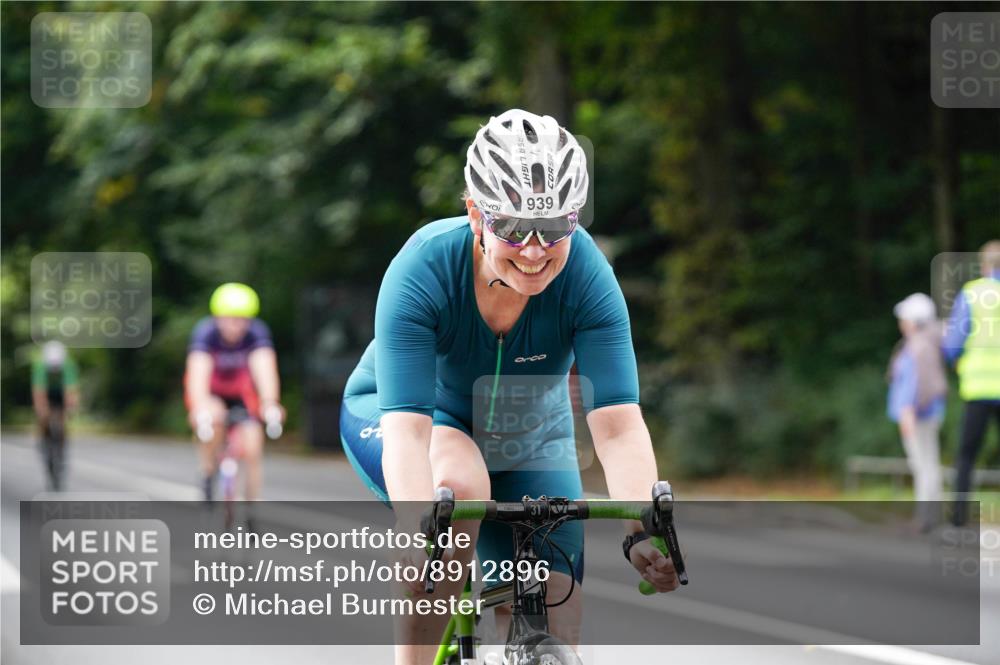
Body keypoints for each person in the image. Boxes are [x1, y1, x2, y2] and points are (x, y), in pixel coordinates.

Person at [339, 109, 679, 665]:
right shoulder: (424, 266)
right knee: (459, 493)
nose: (534, 249)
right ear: (475, 214)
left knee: (557, 614)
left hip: (527, 428)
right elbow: (408, 430)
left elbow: (617, 426)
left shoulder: (587, 276)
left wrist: (643, 528)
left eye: (552, 229)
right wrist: (413, 529)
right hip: (410, 414)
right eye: (514, 228)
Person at [184, 283, 285, 509]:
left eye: (242, 319)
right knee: (211, 417)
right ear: (218, 318)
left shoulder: (256, 333)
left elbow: (265, 369)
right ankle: (208, 471)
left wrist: (270, 404)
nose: (236, 326)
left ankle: (251, 504)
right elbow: (197, 375)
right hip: (212, 393)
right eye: (230, 319)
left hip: (240, 394)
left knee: (253, 445)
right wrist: (199, 408)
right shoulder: (206, 333)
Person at [943, 240, 1000, 526]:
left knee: (966, 455)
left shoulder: (973, 293)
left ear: (984, 265)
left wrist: (957, 362)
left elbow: (953, 343)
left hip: (978, 388)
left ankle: (958, 517)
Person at [887, 293, 947, 532]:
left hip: (918, 416)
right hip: (925, 414)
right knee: (928, 464)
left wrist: (908, 412)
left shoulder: (918, 346)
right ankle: (932, 513)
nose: (901, 322)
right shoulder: (925, 342)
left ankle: (926, 517)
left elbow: (915, 384)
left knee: (923, 466)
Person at [31, 341, 80, 490]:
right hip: (47, 393)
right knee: (43, 417)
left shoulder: (69, 366)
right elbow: (39, 392)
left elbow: (70, 391)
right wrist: (42, 411)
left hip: (60, 394)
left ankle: (62, 443)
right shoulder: (40, 367)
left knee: (63, 420)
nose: (54, 369)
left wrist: (70, 409)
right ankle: (42, 438)